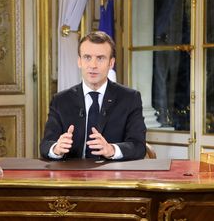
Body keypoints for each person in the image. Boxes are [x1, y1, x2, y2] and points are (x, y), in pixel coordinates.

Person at [40, 31, 146, 161]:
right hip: (72, 177)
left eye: (100, 58)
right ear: (79, 61)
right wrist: (56, 148)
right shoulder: (61, 100)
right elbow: (45, 145)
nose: (93, 65)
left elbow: (139, 146)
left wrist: (111, 150)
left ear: (111, 63)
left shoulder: (130, 98)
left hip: (113, 176)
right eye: (87, 57)